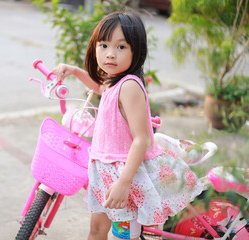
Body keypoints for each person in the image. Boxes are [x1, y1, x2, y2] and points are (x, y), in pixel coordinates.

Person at [53, 11, 203, 240]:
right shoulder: (114, 81)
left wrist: (124, 183)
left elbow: (141, 139)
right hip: (106, 172)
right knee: (96, 231)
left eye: (121, 47)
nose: (110, 54)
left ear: (136, 51)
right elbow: (99, 87)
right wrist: (75, 71)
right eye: (103, 45)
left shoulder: (129, 86)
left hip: (125, 175)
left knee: (124, 236)